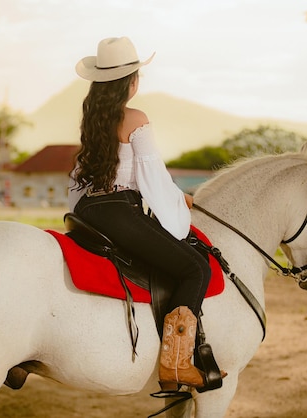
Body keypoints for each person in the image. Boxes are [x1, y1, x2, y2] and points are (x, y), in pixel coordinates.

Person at [68, 36, 212, 391]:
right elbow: (152, 176)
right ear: (130, 82)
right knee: (195, 267)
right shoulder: (135, 118)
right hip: (120, 211)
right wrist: (179, 202)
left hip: (91, 208)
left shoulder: (92, 118)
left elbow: (82, 173)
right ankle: (177, 362)